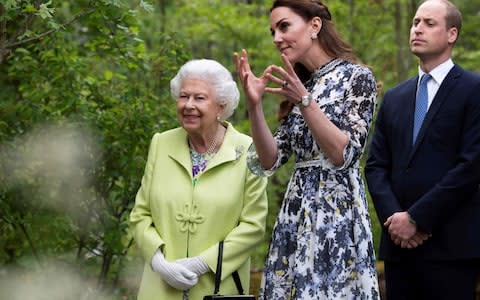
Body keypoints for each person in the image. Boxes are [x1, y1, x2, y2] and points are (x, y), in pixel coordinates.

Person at [234, 0, 380, 298]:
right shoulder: (301, 85)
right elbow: (270, 160)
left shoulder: (357, 77)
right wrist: (254, 105)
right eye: (272, 30)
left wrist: (305, 101)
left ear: (314, 26)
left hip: (336, 215)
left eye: (284, 26)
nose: (276, 38)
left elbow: (345, 154)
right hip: (296, 213)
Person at [365, 0, 480, 299]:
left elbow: (472, 165)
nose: (417, 28)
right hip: (399, 249)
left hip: (451, 246)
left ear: (452, 34)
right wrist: (395, 220)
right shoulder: (394, 97)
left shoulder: (473, 89)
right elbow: (376, 166)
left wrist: (417, 218)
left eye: (429, 23)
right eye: (416, 22)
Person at [129, 59, 268, 300]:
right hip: (160, 288)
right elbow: (140, 215)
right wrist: (160, 263)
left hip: (217, 288)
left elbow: (253, 226)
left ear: (221, 106)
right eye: (184, 96)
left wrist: (201, 263)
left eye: (199, 98)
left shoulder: (248, 150)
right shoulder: (161, 143)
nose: (188, 105)